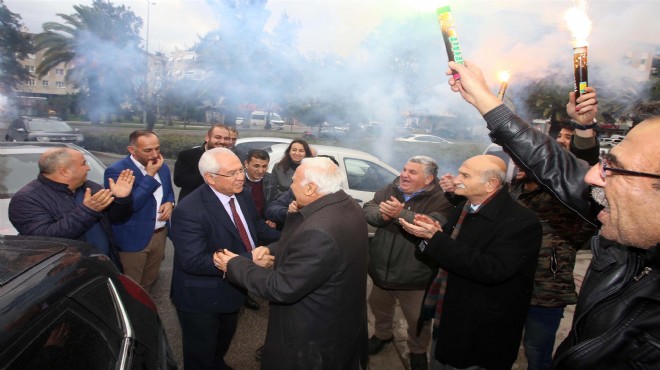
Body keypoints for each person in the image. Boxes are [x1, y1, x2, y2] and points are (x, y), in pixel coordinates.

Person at [445, 59, 660, 369]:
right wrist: (484, 98)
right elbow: (552, 163)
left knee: (537, 353)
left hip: (546, 292)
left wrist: (585, 131)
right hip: (513, 288)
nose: (591, 177)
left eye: (612, 166)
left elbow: (563, 167)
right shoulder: (627, 244)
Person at [214, 157, 369, 370]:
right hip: (342, 321)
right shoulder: (346, 204)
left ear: (311, 188)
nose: (290, 187)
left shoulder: (319, 230)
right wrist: (271, 248)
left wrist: (235, 264)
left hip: (312, 338)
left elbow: (281, 287)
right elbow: (303, 243)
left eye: (294, 182)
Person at [400, 154, 542, 370]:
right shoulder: (464, 208)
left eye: (465, 175)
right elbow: (442, 250)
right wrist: (427, 235)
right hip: (447, 318)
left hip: (480, 332)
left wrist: (435, 239)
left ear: (491, 184)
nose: (456, 179)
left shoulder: (522, 222)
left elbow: (492, 269)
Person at [170, 147, 280, 370]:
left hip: (232, 289)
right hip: (201, 298)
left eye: (240, 170)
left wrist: (291, 238)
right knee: (200, 355)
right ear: (210, 178)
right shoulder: (189, 210)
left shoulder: (243, 194)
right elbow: (193, 261)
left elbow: (255, 226)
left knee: (221, 344)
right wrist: (249, 260)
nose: (241, 177)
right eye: (232, 173)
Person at [365, 156, 453, 370]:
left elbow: (431, 224)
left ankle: (417, 350)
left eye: (412, 172)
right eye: (405, 169)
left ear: (428, 179)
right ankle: (383, 334)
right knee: (379, 307)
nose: (404, 174)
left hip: (415, 275)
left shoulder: (441, 198)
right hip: (381, 271)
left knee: (417, 319)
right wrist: (384, 216)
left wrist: (399, 213)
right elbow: (369, 209)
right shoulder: (390, 189)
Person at [8, 148, 134, 270]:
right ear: (64, 171)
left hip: (105, 264)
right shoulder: (26, 199)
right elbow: (45, 238)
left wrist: (121, 200)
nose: (88, 168)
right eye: (83, 164)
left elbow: (117, 219)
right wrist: (87, 211)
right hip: (68, 273)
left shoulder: (91, 187)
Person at [104, 130, 175, 292]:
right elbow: (130, 206)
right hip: (133, 240)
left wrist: (170, 202)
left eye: (157, 148)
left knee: (149, 282)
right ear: (132, 150)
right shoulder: (117, 171)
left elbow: (169, 191)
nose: (155, 154)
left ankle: (146, 314)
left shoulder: (162, 167)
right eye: (148, 150)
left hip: (159, 235)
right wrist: (149, 176)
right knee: (131, 288)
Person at [173, 124, 233, 201]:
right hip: (192, 205)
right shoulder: (187, 155)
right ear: (207, 138)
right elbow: (179, 181)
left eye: (226, 138)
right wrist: (211, 176)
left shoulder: (231, 158)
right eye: (218, 137)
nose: (222, 141)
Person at [244, 149, 280, 228]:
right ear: (246, 164)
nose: (261, 171)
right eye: (256, 166)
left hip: (264, 223)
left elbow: (274, 201)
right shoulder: (238, 180)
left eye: (264, 166)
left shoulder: (271, 179)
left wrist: (271, 219)